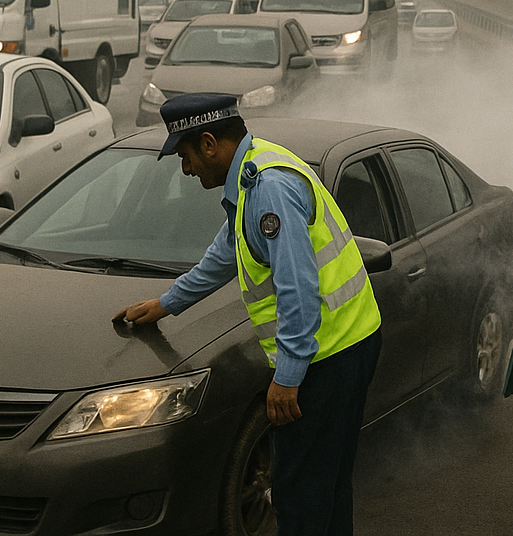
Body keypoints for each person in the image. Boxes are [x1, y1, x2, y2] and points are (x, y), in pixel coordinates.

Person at [114, 93, 382, 536]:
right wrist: (167, 303)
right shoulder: (254, 169)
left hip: (329, 357)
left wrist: (288, 377)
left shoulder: (268, 188)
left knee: (299, 494)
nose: (186, 170)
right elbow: (225, 253)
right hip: (350, 341)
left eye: (185, 157)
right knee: (326, 485)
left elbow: (298, 289)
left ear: (208, 143)